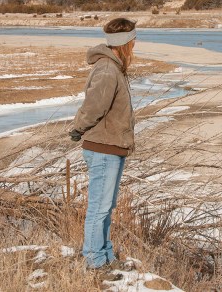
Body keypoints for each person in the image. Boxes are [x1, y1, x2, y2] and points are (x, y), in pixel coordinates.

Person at [69, 17, 136, 269]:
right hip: (103, 149)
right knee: (99, 207)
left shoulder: (114, 67)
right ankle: (94, 260)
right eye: (133, 40)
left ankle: (104, 254)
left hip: (112, 147)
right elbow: (94, 106)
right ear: (125, 43)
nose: (136, 44)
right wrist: (77, 129)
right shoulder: (108, 70)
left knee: (106, 206)